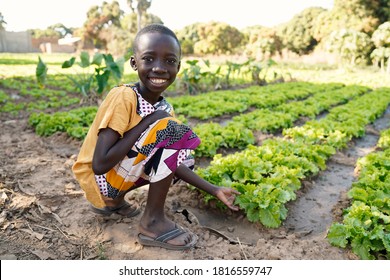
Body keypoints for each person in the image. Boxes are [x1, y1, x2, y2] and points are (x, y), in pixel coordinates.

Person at [72, 24, 240, 251]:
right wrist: (147, 122)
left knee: (179, 149)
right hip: (98, 181)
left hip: (114, 183)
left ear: (178, 67)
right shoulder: (125, 96)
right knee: (171, 130)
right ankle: (151, 222)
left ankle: (113, 203)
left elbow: (171, 163)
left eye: (169, 61)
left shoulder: (163, 108)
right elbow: (100, 164)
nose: (159, 68)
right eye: (149, 59)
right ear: (134, 63)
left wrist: (213, 189)